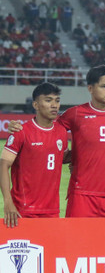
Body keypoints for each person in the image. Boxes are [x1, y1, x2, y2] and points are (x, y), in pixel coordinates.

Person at [8, 65, 105, 217]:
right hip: (80, 192)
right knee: (76, 239)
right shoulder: (75, 114)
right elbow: (47, 130)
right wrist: (18, 127)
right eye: (104, 86)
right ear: (90, 88)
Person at [1, 83, 68, 228]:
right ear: (36, 105)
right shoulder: (22, 131)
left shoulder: (61, 132)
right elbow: (3, 165)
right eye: (48, 100)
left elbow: (62, 157)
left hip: (52, 210)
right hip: (23, 210)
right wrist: (7, 202)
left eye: (57, 100)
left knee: (51, 250)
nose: (54, 105)